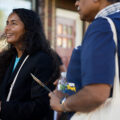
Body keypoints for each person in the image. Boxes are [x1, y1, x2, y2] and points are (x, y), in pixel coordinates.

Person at [49, 0, 120, 119]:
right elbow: (106, 78)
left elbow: (96, 93)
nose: (76, 3)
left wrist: (63, 105)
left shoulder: (102, 26)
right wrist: (63, 86)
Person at [0, 8, 60, 120]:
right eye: (7, 23)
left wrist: (3, 108)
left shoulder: (42, 59)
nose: (7, 28)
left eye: (14, 23)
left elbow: (41, 106)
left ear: (28, 28)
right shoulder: (8, 59)